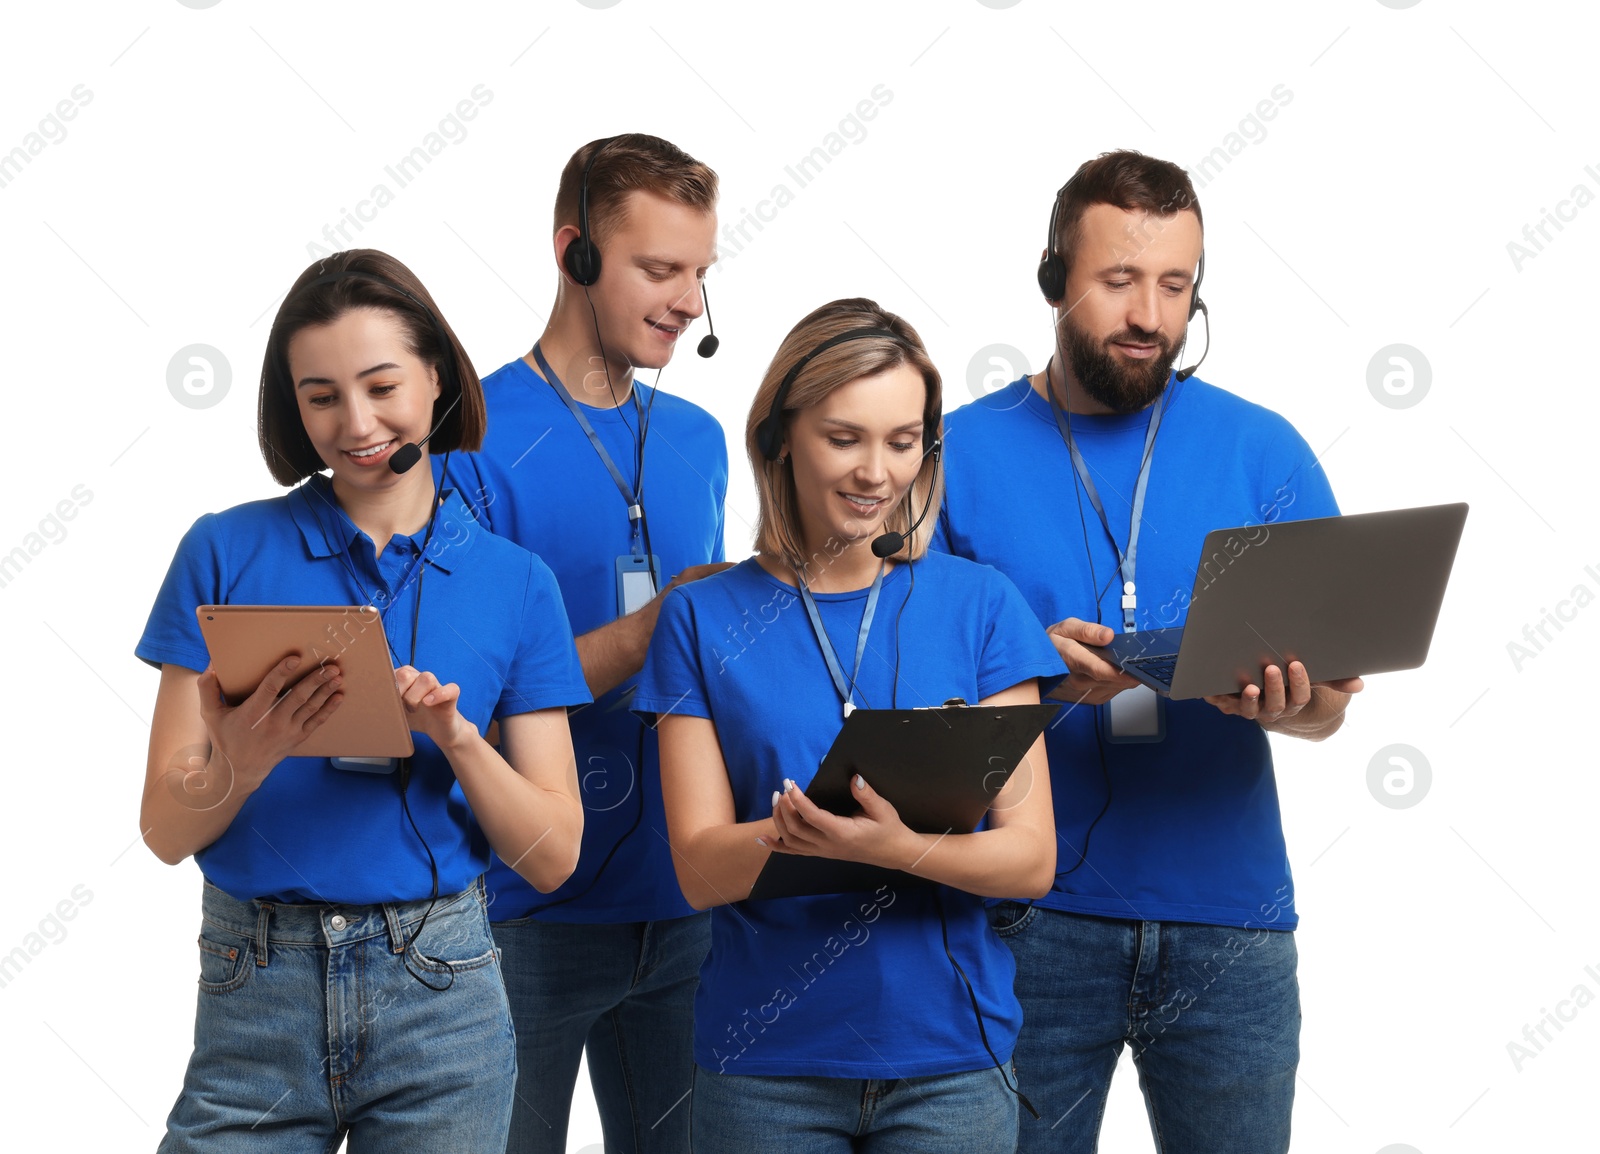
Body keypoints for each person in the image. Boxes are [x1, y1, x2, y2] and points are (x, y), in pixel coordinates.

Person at [933, 150, 1365, 1153]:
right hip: (1026, 916)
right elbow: (898, 697)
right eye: (1119, 281)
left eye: (1174, 286)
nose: (1148, 316)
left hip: (1230, 921)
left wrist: (1286, 703)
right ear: (1053, 282)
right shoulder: (951, 452)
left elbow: (1331, 702)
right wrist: (1029, 683)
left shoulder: (1264, 450)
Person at [137, 248, 590, 1152]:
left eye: (382, 386)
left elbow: (553, 856)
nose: (356, 424)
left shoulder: (517, 583)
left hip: (442, 994)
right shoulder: (222, 551)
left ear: (436, 377)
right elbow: (163, 829)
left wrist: (460, 739)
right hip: (253, 986)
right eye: (321, 397)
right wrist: (246, 757)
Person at [633, 298, 1067, 1154]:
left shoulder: (980, 606)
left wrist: (892, 848)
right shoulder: (700, 618)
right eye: (846, 438)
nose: (878, 472)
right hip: (765, 1072)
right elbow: (697, 870)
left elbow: (1030, 858)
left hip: (950, 1066)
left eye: (902, 441)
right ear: (780, 436)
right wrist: (809, 839)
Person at [439, 133, 729, 1154]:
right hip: (523, 912)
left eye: (699, 272)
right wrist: (652, 629)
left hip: (692, 904)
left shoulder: (700, 439)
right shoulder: (467, 433)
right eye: (660, 269)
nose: (688, 299)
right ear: (573, 253)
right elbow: (465, 697)